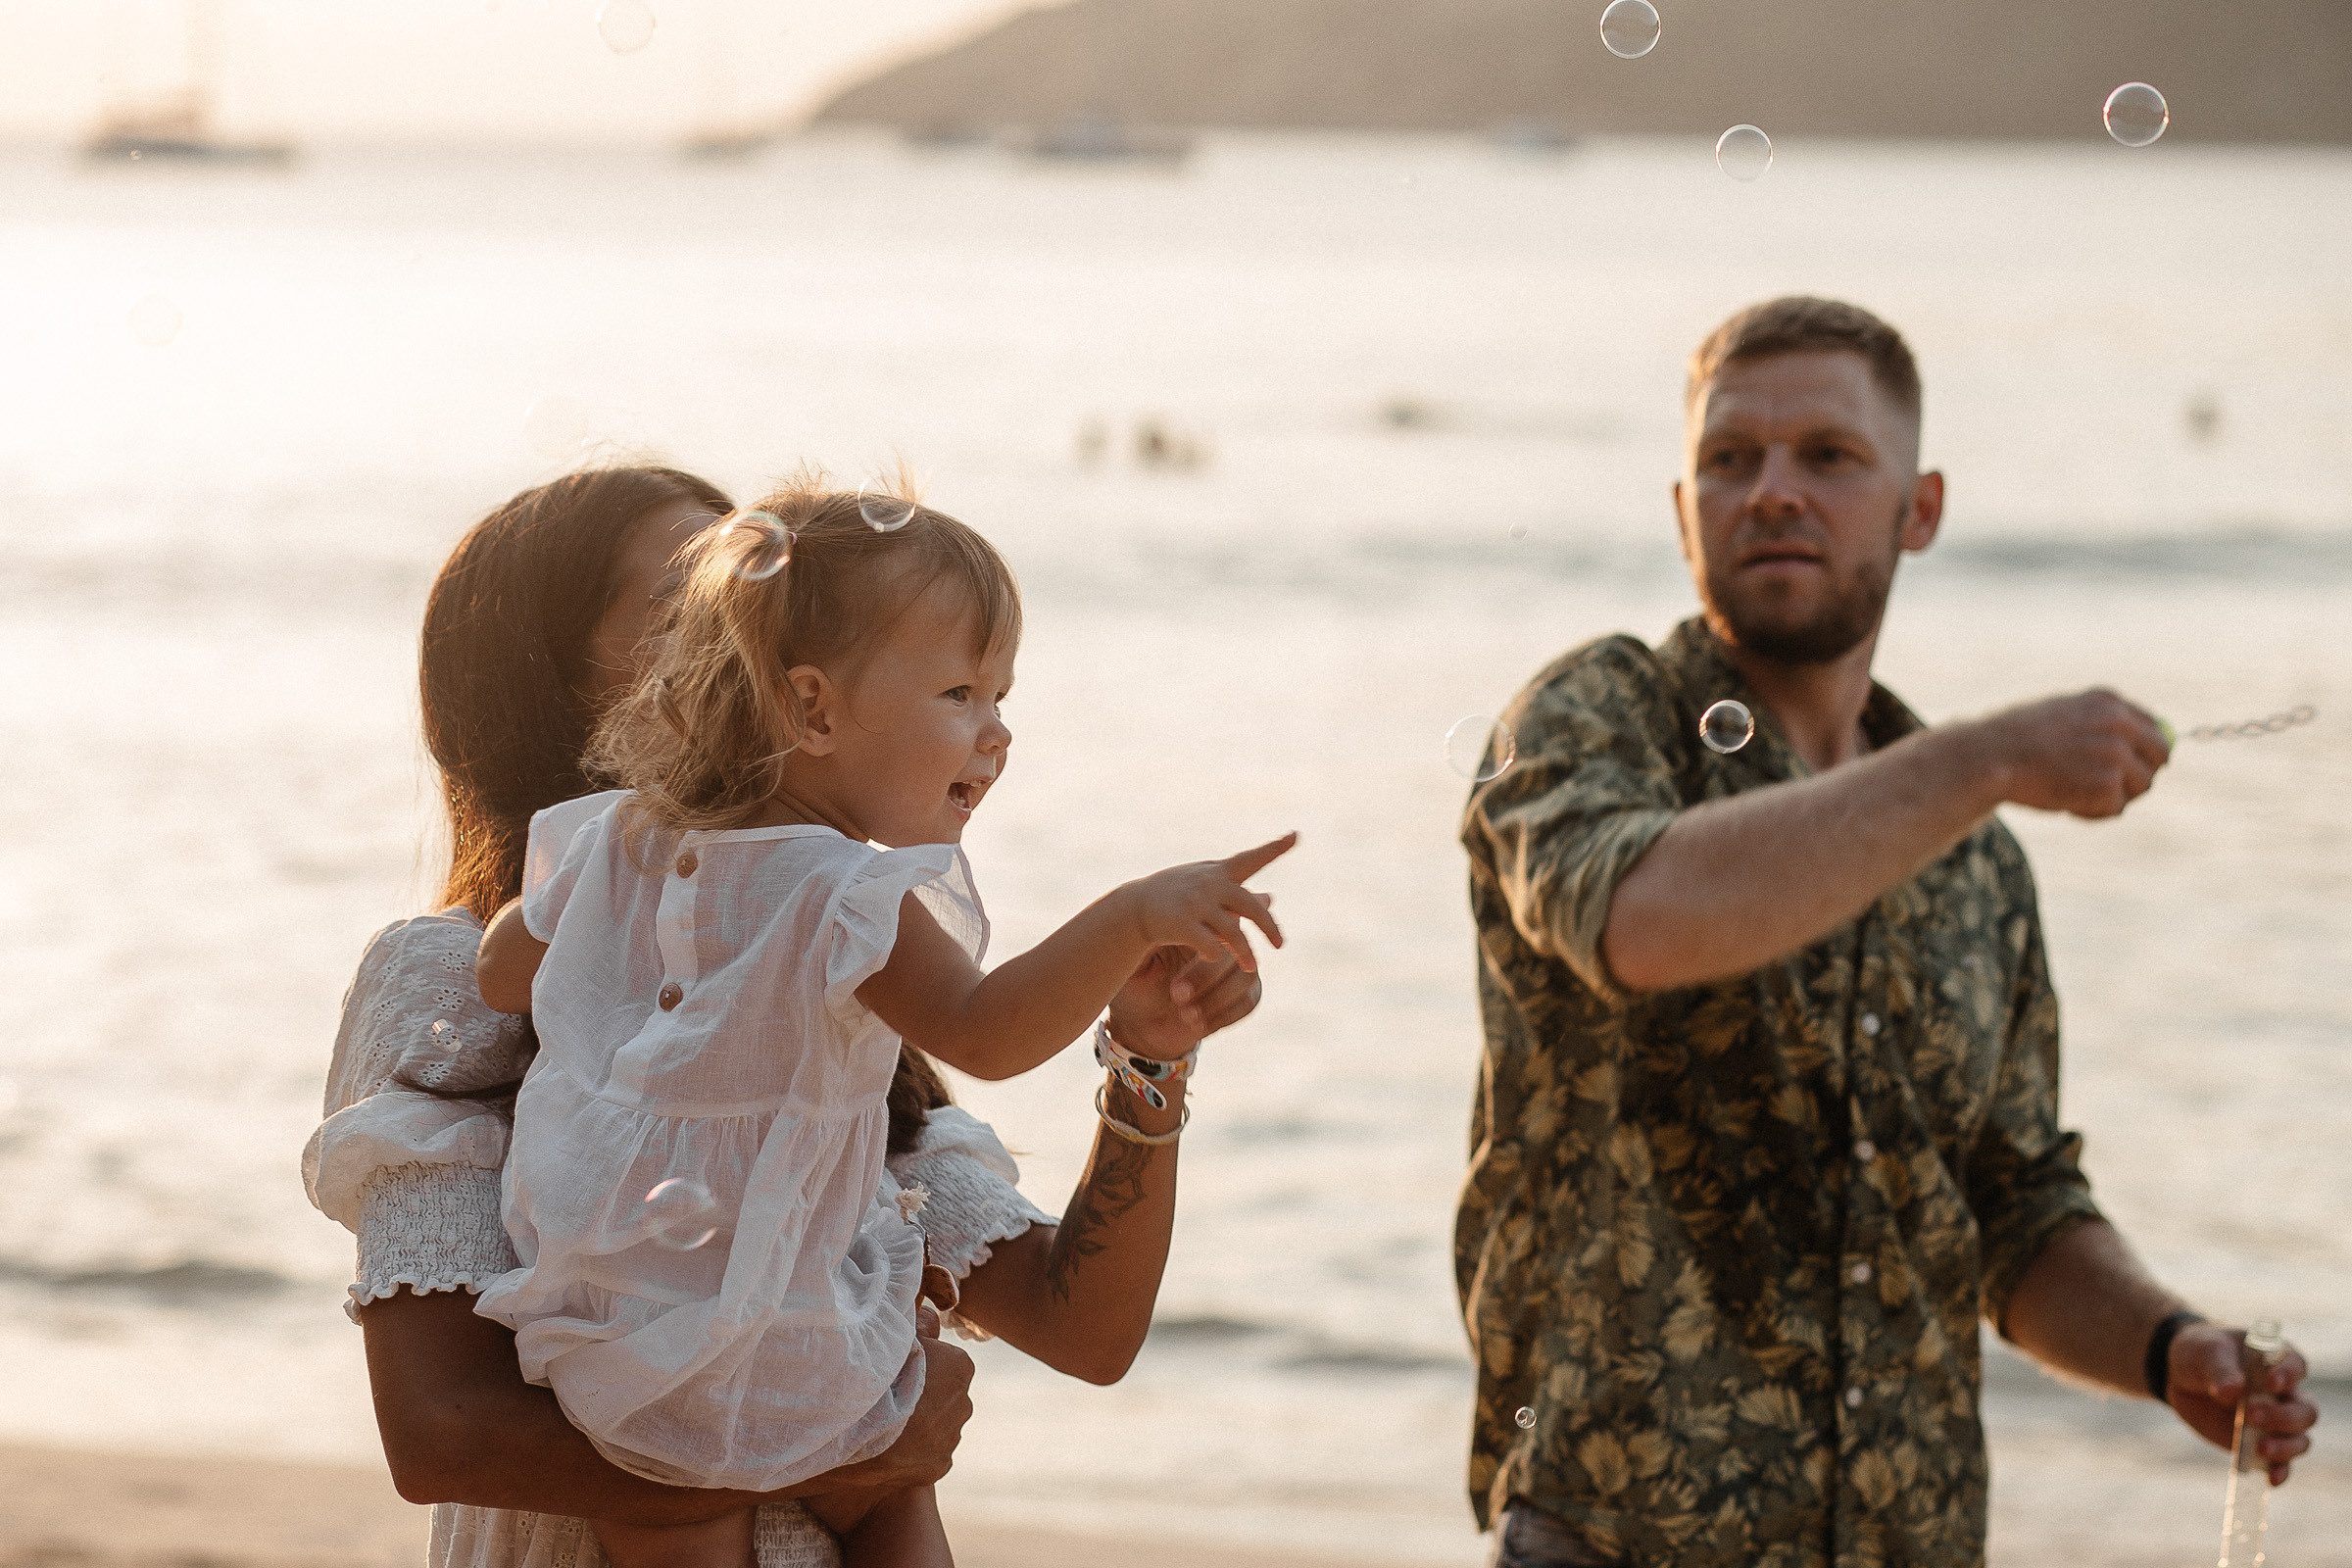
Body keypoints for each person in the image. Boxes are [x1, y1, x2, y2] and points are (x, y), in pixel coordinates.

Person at [1453, 297, 2320, 1568]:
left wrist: (2164, 1344)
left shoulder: (1978, 859)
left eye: (1830, 456)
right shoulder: (1601, 715)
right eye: (1730, 459)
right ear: (1682, 506)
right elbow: (1640, 916)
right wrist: (1987, 757)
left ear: (1922, 511)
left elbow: (2014, 1213)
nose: (1773, 492)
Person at [306, 466, 1265, 1568]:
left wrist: (1147, 1059)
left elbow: (1081, 1327)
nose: (733, 636)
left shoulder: (817, 973)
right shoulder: (451, 967)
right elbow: (443, 1436)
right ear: (544, 678)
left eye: (747, 592)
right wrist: (852, 1452)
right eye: (689, 610)